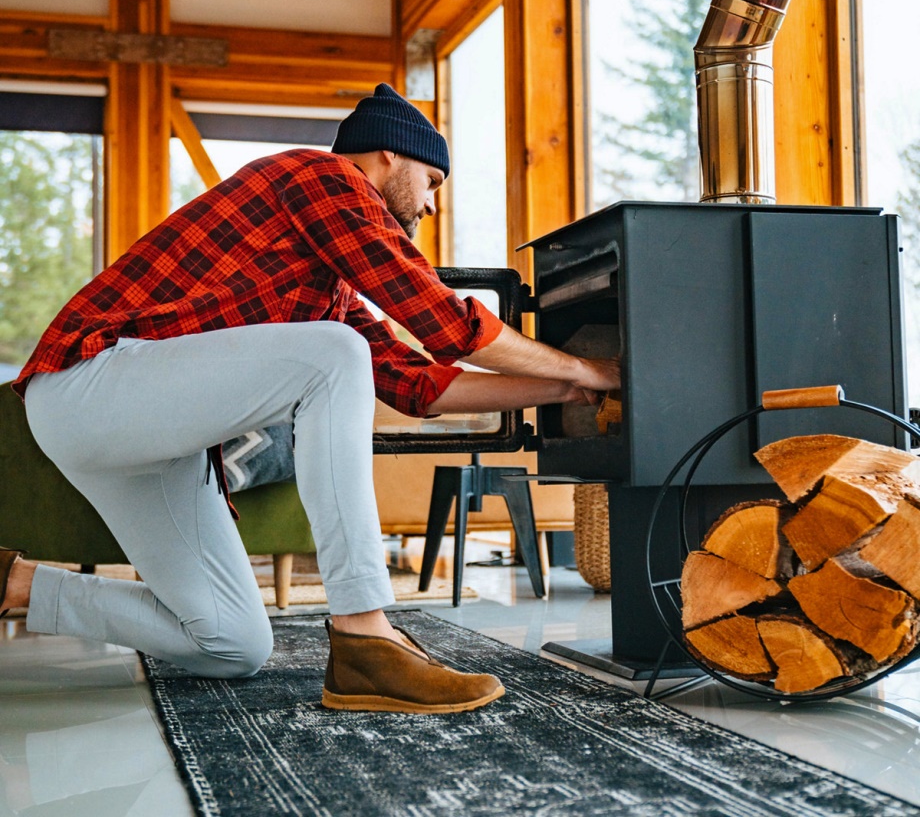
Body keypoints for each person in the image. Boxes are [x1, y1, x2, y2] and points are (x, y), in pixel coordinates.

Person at [0, 84, 619, 714]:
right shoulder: (319, 177)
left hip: (144, 434)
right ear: (388, 157)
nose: (432, 205)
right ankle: (364, 635)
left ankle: (14, 583)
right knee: (336, 352)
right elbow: (447, 326)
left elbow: (419, 386)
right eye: (432, 180)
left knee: (230, 643)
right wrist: (589, 368)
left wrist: (566, 386)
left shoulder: (329, 291)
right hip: (91, 381)